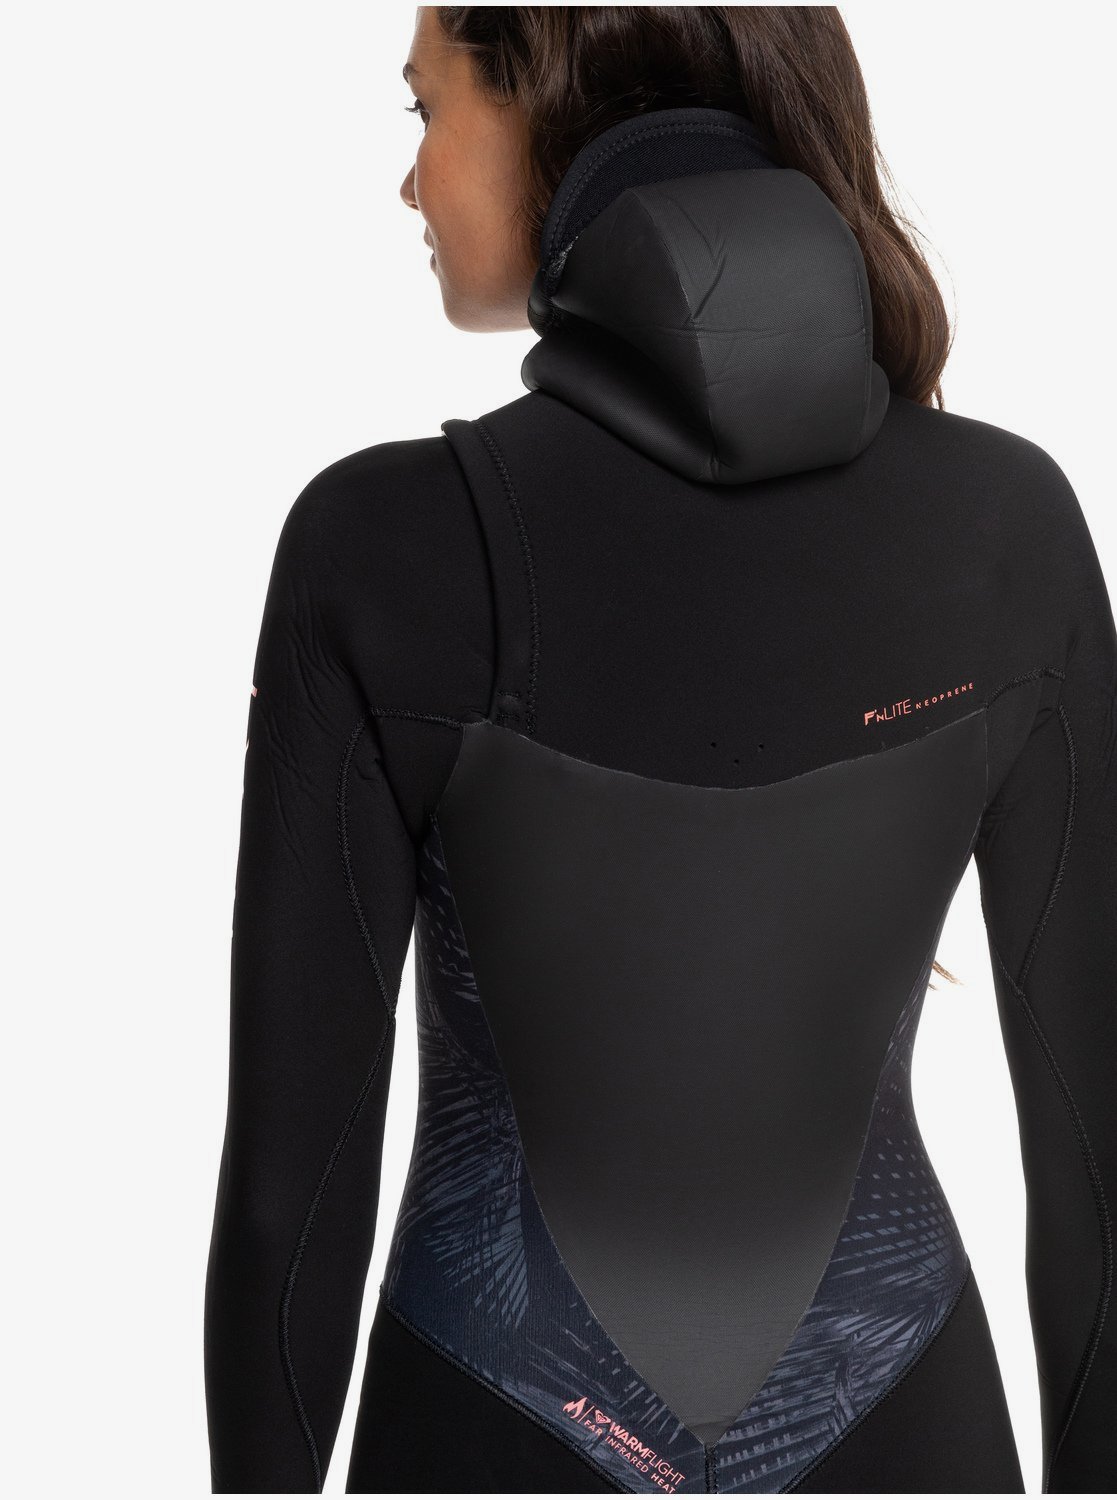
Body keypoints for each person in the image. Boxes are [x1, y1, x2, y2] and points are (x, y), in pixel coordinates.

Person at [203, 7, 1117, 1494]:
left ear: (547, 94)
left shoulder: (379, 544)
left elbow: (286, 1205)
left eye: (425, 110)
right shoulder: (1008, 527)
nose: (410, 180)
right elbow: (1095, 1158)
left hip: (488, 1417)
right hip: (902, 1411)